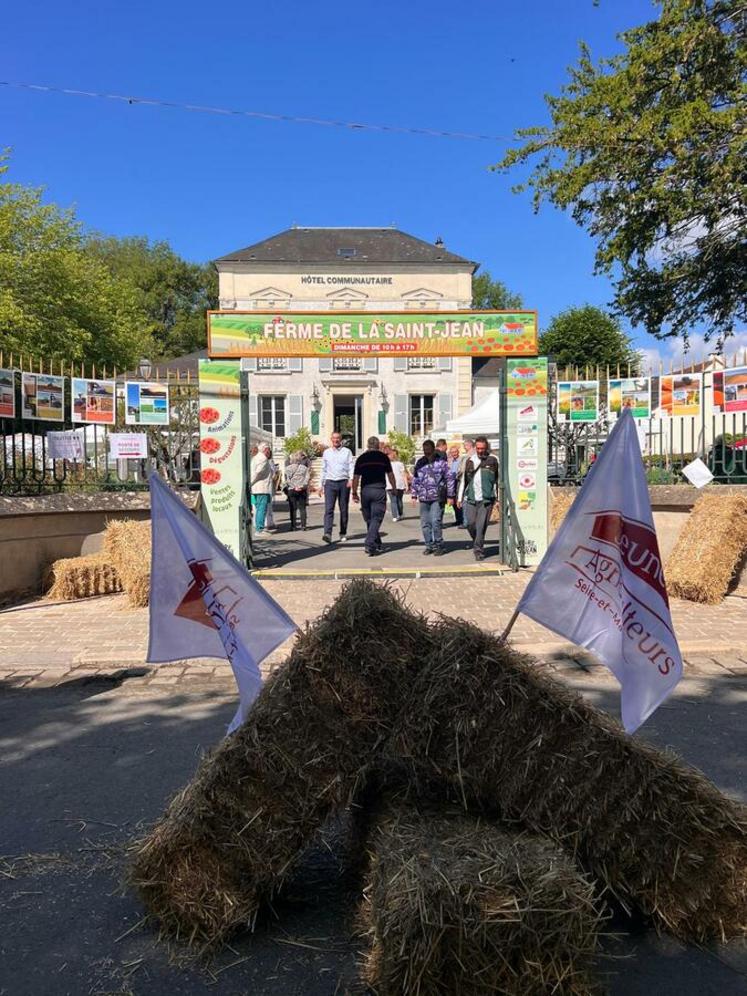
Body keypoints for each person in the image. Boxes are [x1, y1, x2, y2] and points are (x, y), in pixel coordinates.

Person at [352, 436, 396, 556]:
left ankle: (376, 542)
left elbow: (356, 478)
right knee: (376, 518)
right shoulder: (383, 457)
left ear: (367, 445)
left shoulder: (361, 458)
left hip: (365, 491)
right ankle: (370, 543)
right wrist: (394, 487)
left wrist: (354, 492)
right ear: (378, 446)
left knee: (369, 519)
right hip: (378, 490)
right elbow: (390, 474)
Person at [458, 435, 500, 561]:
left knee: (481, 526)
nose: (480, 451)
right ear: (475, 447)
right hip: (471, 498)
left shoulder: (493, 460)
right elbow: (464, 480)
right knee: (470, 524)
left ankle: (478, 550)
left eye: (482, 448)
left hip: (486, 499)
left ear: (486, 447)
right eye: (478, 448)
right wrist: (459, 498)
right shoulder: (469, 460)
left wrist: (498, 498)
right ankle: (478, 540)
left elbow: (498, 480)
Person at [411, 440, 455, 556]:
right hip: (424, 498)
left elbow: (450, 478)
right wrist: (414, 494)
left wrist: (450, 495)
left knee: (436, 521)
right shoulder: (420, 462)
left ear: (433, 449)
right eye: (424, 450)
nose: (426, 452)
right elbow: (416, 479)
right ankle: (429, 545)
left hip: (437, 497)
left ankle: (439, 545)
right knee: (425, 524)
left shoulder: (441, 463)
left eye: (428, 450)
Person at [319, 431, 354, 544]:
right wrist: (321, 485)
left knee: (343, 509)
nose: (336, 440)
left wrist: (351, 479)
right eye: (334, 438)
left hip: (343, 482)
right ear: (331, 439)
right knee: (329, 509)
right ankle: (327, 533)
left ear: (341, 439)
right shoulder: (327, 453)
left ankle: (343, 532)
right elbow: (323, 469)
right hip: (330, 483)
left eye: (338, 438)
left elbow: (351, 466)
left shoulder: (347, 452)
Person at [284, 450, 310, 531]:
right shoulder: (304, 468)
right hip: (302, 490)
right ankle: (303, 526)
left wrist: (294, 487)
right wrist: (302, 486)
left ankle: (293, 526)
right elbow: (307, 478)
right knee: (302, 508)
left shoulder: (288, 468)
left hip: (292, 490)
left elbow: (287, 480)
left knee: (293, 508)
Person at [250, 444, 273, 534]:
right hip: (261, 487)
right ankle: (260, 529)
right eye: (267, 449)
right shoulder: (263, 458)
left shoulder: (255, 458)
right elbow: (258, 472)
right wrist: (252, 482)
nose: (269, 452)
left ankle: (259, 527)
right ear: (263, 449)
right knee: (261, 509)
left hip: (256, 488)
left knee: (258, 508)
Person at [387, 448, 408, 521]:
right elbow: (403, 475)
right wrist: (406, 485)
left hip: (390, 484)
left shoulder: (386, 464)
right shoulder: (400, 464)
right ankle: (400, 513)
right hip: (399, 484)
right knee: (399, 500)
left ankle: (395, 516)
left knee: (393, 501)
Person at [263, 444, 279, 530]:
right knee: (266, 505)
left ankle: (269, 522)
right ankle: (267, 523)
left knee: (269, 505)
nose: (268, 452)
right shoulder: (264, 461)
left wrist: (274, 474)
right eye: (266, 450)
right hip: (265, 486)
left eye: (269, 450)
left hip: (269, 485)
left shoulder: (270, 461)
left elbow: (274, 473)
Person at [447, 444, 464, 527]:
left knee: (459, 501)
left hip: (458, 482)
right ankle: (458, 519)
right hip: (451, 483)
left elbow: (462, 471)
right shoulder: (450, 462)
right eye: (452, 452)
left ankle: (463, 520)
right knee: (453, 502)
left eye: (455, 452)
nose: (454, 454)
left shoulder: (461, 460)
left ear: (458, 452)